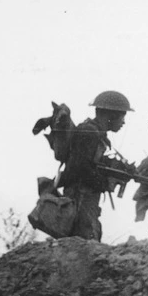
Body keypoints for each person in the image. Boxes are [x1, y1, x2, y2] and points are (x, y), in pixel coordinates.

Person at [58, 90, 133, 241]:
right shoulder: (89, 132)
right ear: (111, 115)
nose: (123, 122)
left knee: (89, 236)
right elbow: (81, 168)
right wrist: (104, 183)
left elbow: (93, 163)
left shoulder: (96, 133)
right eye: (122, 116)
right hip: (80, 196)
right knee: (84, 239)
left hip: (85, 197)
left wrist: (122, 170)